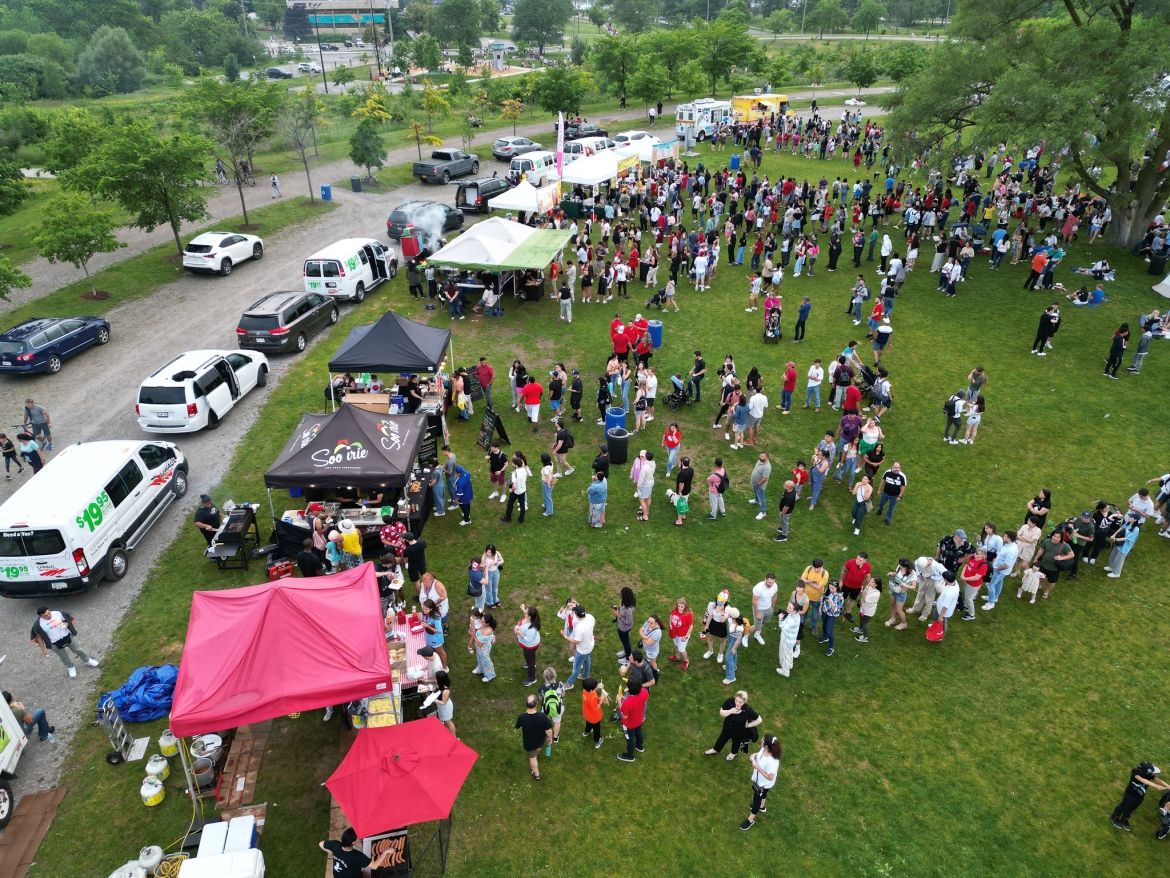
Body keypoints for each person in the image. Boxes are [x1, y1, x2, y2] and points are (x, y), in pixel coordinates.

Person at [30, 607, 100, 678]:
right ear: (40, 616)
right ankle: (70, 667)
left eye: (49, 613)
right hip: (54, 643)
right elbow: (39, 637)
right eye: (45, 615)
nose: (49, 616)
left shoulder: (57, 613)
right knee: (63, 657)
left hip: (67, 636)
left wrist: (66, 624)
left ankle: (87, 660)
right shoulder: (38, 625)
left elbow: (67, 619)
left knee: (78, 650)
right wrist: (43, 649)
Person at [1111, 762, 1169, 832]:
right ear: (1146, 772)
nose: (1153, 774)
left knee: (1132, 808)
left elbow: (1159, 781)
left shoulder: (1149, 775)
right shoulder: (1136, 774)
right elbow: (1142, 780)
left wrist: (1168, 786)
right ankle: (1115, 817)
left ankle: (1125, 819)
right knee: (1124, 806)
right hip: (1130, 795)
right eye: (1151, 772)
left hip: (1140, 796)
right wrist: (1156, 786)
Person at [705, 690, 762, 760]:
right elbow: (721, 712)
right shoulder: (730, 701)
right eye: (736, 700)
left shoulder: (748, 709)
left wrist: (747, 725)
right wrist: (730, 711)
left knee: (736, 742)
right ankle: (715, 750)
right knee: (722, 738)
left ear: (744, 702)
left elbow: (759, 720)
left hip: (739, 730)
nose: (737, 703)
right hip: (727, 726)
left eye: (740, 702)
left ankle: (733, 753)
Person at [740, 734, 781, 831]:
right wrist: (754, 756)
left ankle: (750, 820)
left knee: (756, 800)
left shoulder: (772, 761)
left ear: (767, 745)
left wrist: (757, 767)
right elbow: (759, 755)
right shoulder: (764, 749)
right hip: (761, 781)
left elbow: (770, 777)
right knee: (764, 794)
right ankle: (762, 807)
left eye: (762, 741)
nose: (761, 742)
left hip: (764, 783)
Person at [320, 827, 393, 876]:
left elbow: (321, 844)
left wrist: (333, 852)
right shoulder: (357, 856)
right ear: (353, 843)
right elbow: (375, 866)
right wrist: (385, 852)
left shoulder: (335, 844)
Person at [516, 694, 553, 780]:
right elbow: (549, 730)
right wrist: (550, 738)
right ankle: (536, 756)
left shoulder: (522, 717)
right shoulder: (543, 716)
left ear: (526, 704)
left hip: (529, 743)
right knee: (538, 748)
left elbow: (517, 727)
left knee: (532, 758)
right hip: (540, 740)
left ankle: (536, 774)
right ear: (536, 704)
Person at [616, 678, 649, 763]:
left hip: (629, 724)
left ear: (629, 690)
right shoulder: (644, 691)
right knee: (638, 731)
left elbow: (624, 716)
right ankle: (639, 746)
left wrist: (619, 701)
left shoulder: (627, 702)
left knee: (630, 739)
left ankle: (630, 756)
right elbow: (638, 702)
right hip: (639, 719)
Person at [563, 604, 595, 688]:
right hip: (590, 645)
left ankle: (569, 684)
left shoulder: (579, 627)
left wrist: (566, 637)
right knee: (587, 660)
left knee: (576, 669)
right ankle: (585, 675)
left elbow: (576, 641)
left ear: (577, 614)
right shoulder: (590, 617)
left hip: (582, 650)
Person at [514, 605, 541, 686]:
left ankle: (532, 679)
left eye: (525, 613)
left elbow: (527, 639)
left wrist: (518, 632)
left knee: (530, 661)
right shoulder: (531, 619)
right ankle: (530, 662)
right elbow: (526, 618)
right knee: (530, 657)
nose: (524, 613)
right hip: (530, 644)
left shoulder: (531, 629)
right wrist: (524, 610)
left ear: (529, 616)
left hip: (529, 645)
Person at [774, 600, 801, 677]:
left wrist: (780, 619)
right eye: (788, 606)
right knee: (789, 653)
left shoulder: (792, 620)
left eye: (790, 607)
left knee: (784, 655)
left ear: (795, 610)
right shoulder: (796, 615)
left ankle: (785, 672)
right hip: (791, 639)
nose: (787, 608)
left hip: (787, 639)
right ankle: (790, 664)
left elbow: (783, 628)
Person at [581, 677, 609, 749]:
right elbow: (596, 707)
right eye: (596, 686)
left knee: (588, 723)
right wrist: (602, 699)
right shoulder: (592, 697)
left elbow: (593, 692)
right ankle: (597, 741)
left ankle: (586, 732)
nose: (597, 686)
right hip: (594, 717)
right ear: (591, 689)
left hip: (587, 714)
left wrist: (598, 687)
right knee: (596, 729)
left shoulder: (585, 691)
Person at [668, 597, 693, 670]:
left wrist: (686, 636)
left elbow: (691, 626)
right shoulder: (674, 611)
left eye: (682, 606)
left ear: (685, 606)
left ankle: (686, 661)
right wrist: (670, 624)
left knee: (681, 649)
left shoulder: (688, 615)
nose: (680, 608)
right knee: (676, 645)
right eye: (679, 606)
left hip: (683, 635)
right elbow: (671, 615)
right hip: (675, 633)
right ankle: (677, 657)